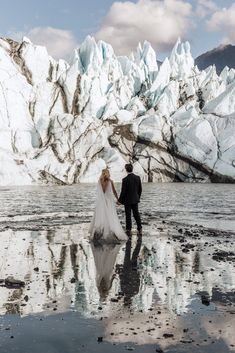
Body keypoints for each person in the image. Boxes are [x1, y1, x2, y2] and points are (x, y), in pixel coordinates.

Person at [89, 168, 127, 243]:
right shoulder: (110, 181)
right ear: (108, 173)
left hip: (101, 202)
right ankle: (110, 230)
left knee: (101, 215)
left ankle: (100, 230)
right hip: (109, 201)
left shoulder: (99, 182)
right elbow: (114, 192)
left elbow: (99, 193)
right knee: (111, 215)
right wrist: (118, 200)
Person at [118, 164, 142, 236]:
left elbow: (123, 191)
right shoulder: (137, 178)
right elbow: (140, 189)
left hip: (127, 201)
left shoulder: (125, 180)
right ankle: (140, 228)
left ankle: (128, 230)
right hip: (135, 199)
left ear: (126, 169)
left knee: (128, 215)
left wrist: (119, 200)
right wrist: (138, 197)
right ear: (132, 169)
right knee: (136, 214)